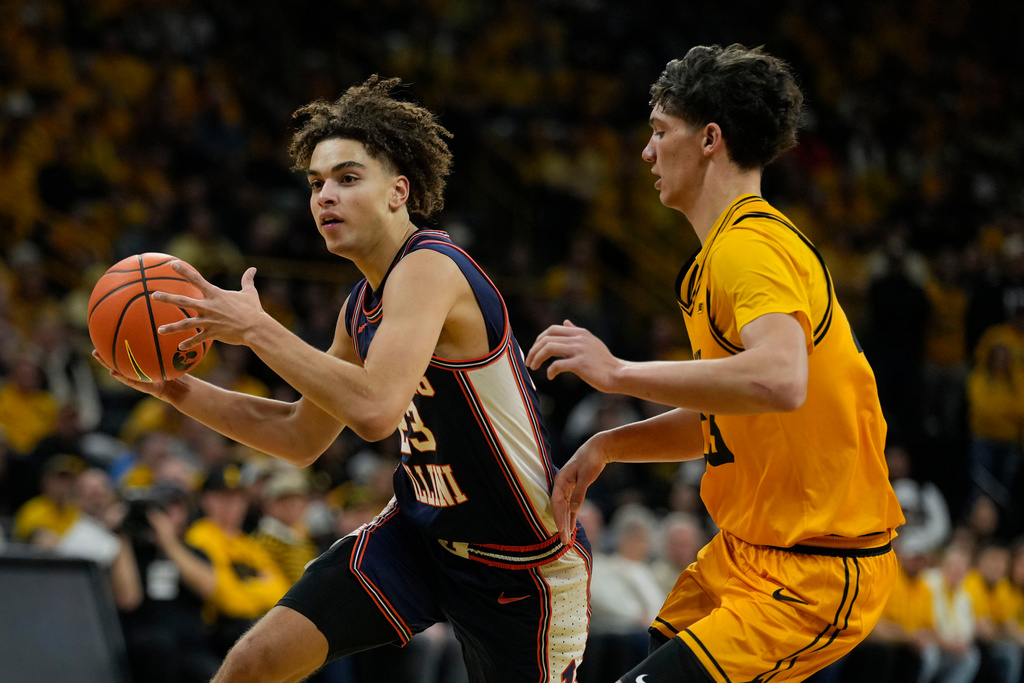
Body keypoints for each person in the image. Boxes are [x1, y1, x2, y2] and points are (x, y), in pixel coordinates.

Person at [93, 75, 591, 683]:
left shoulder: (431, 267)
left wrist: (254, 328)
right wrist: (174, 388)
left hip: (522, 564)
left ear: (397, 193)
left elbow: (377, 408)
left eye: (348, 178)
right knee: (254, 662)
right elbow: (300, 437)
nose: (326, 195)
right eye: (317, 183)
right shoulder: (360, 305)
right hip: (420, 537)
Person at [526, 44, 905, 683]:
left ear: (709, 138)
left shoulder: (748, 246)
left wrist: (618, 372)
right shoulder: (714, 262)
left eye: (658, 131)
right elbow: (726, 415)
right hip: (742, 554)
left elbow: (779, 380)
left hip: (812, 569)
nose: (646, 153)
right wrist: (607, 446)